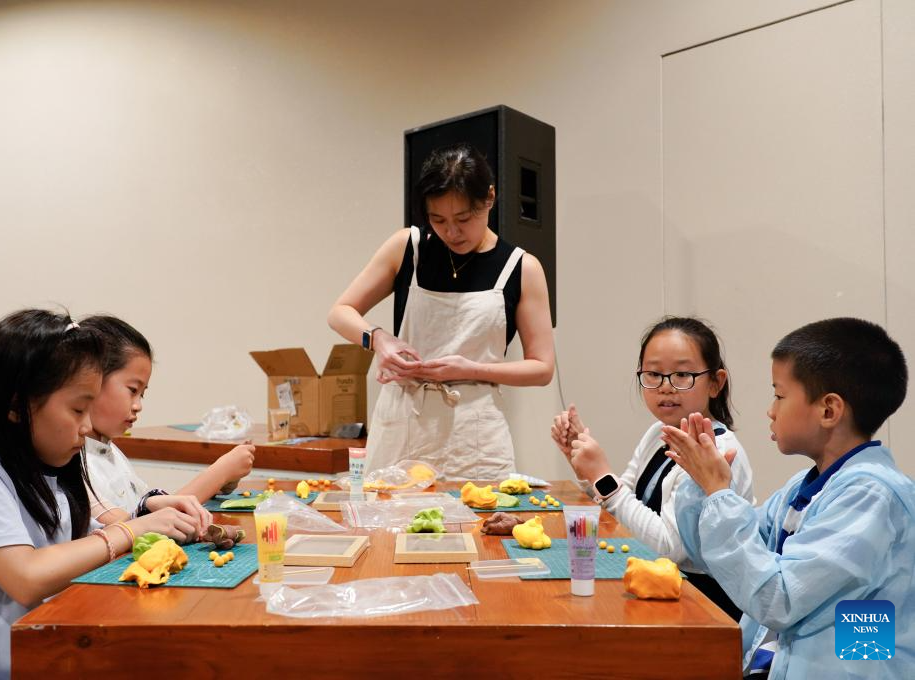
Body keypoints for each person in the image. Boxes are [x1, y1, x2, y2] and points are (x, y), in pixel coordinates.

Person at [0, 310, 206, 679]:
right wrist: (133, 530)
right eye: (78, 409)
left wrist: (152, 514)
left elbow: (89, 539)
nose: (87, 426)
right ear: (16, 406)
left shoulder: (46, 472)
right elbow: (26, 577)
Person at [664, 318, 915, 679]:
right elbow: (717, 558)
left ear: (829, 411)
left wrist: (719, 492)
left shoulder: (872, 496)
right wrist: (701, 487)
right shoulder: (808, 486)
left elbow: (778, 600)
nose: (771, 410)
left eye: (779, 396)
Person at [328, 143, 554, 480]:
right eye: (438, 220)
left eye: (464, 219)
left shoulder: (522, 268)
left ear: (490, 198)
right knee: (390, 509)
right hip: (403, 422)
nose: (451, 232)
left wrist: (473, 369)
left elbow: (542, 368)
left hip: (475, 434)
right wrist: (379, 340)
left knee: (480, 513)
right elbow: (340, 312)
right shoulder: (408, 247)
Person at [551, 316, 754, 619]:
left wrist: (602, 476)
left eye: (682, 374)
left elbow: (669, 547)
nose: (666, 387)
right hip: (656, 586)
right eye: (654, 374)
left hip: (704, 602)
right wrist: (584, 466)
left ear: (716, 382)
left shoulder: (718, 452)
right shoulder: (657, 432)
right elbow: (620, 511)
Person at [79, 315, 256, 525]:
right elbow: (138, 525)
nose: (138, 405)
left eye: (142, 394)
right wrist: (220, 472)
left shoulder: (109, 451)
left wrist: (221, 481)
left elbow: (148, 511)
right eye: (132, 390)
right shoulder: (75, 462)